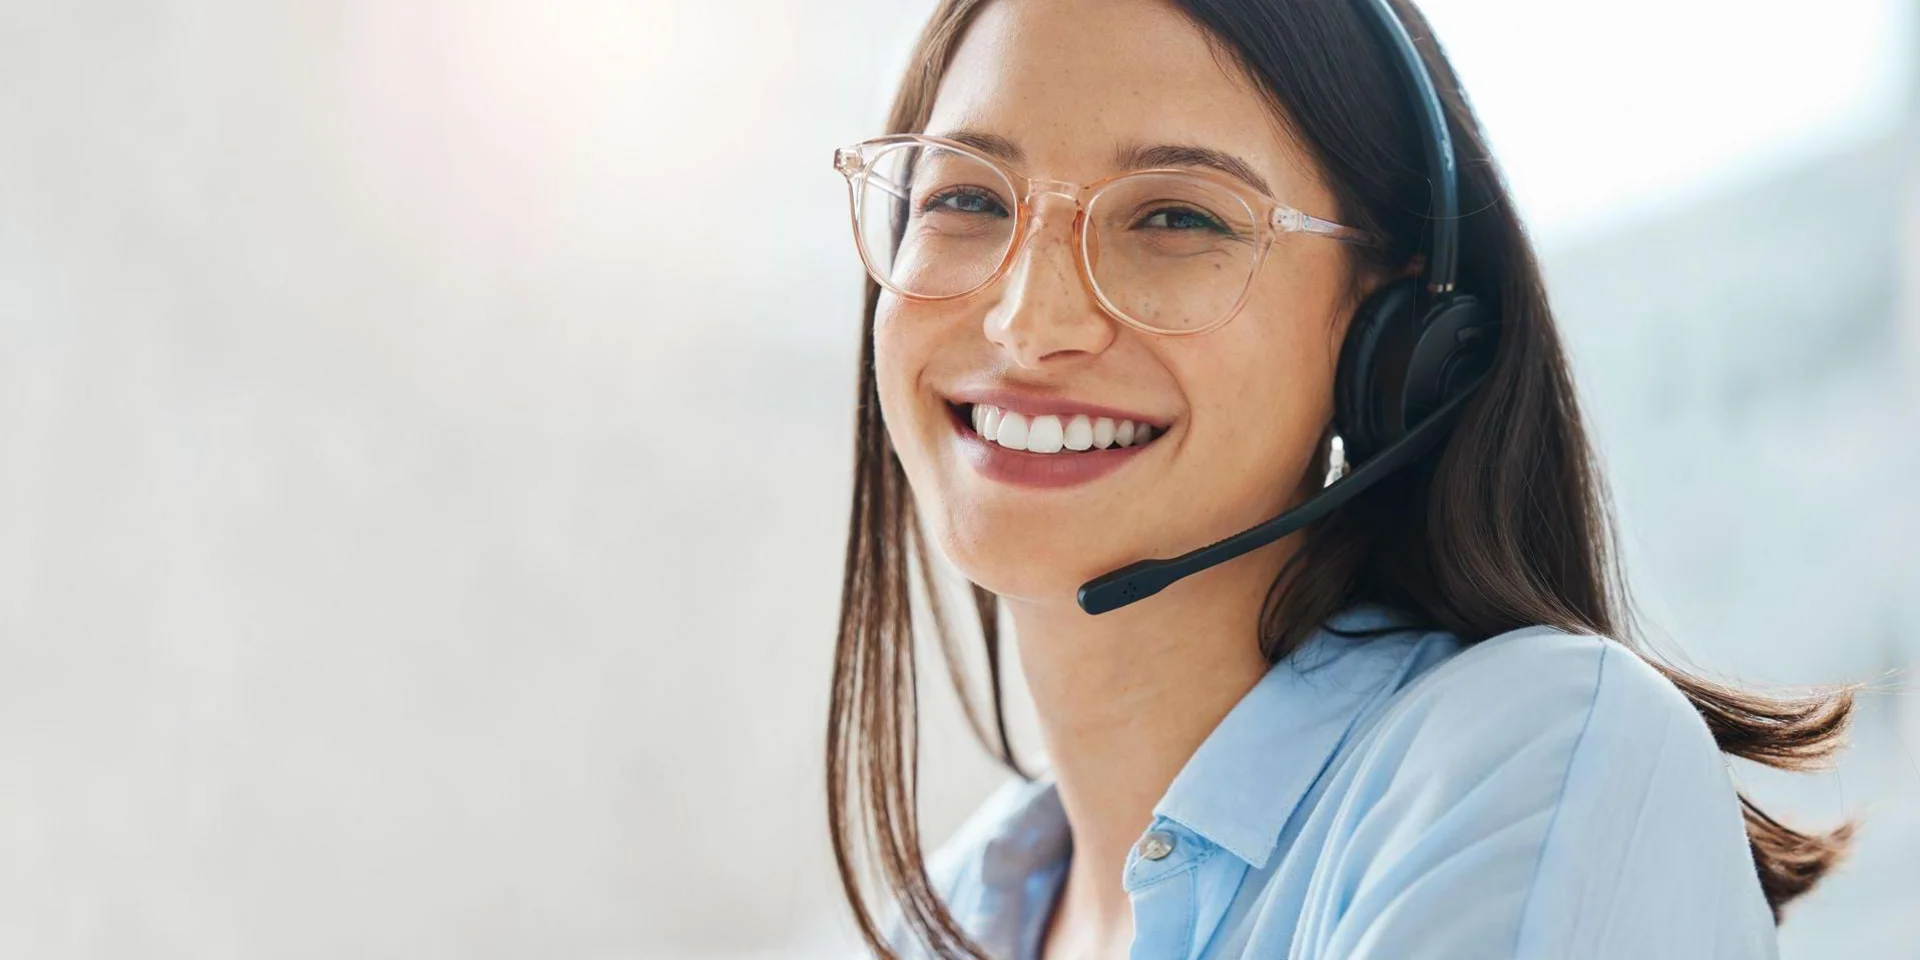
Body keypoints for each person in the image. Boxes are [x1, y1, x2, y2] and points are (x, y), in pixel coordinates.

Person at [821, 1, 1854, 957]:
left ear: (1395, 335)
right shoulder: (944, 918)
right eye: (965, 196)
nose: (1028, 321)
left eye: (1177, 219)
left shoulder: (1522, 764)